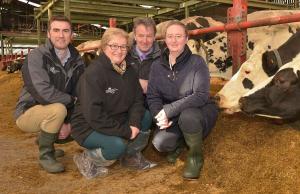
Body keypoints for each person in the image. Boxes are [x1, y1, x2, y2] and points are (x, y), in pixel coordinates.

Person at [70, 28, 156, 179]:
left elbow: (137, 100)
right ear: (103, 47)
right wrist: (126, 131)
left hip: (115, 117)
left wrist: (134, 124)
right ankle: (88, 158)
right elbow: (94, 115)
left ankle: (130, 157)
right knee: (116, 146)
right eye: (113, 46)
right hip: (88, 126)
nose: (119, 50)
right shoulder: (93, 74)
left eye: (123, 46)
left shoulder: (129, 70)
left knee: (146, 116)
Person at [147, 20, 218, 180]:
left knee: (188, 117)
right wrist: (160, 116)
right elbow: (153, 96)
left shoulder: (196, 62)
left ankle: (195, 157)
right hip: (173, 115)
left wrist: (169, 110)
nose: (174, 40)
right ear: (164, 40)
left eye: (178, 36)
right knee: (160, 143)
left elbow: (201, 95)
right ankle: (180, 144)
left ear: (186, 39)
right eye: (170, 36)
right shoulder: (156, 66)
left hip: (199, 110)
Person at [14, 15, 85, 173]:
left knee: (84, 117)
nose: (61, 35)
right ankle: (46, 155)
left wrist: (69, 123)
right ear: (48, 34)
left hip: (59, 110)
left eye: (66, 31)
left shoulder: (78, 60)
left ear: (71, 35)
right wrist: (70, 103)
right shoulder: (37, 56)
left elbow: (81, 92)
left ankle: (46, 141)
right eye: (56, 30)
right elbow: (42, 92)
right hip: (28, 111)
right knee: (58, 109)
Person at [126, 17, 161, 97]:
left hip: (154, 105)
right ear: (134, 36)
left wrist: (150, 86)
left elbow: (170, 85)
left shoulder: (164, 57)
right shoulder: (124, 56)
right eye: (141, 36)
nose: (145, 41)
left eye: (149, 36)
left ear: (154, 37)